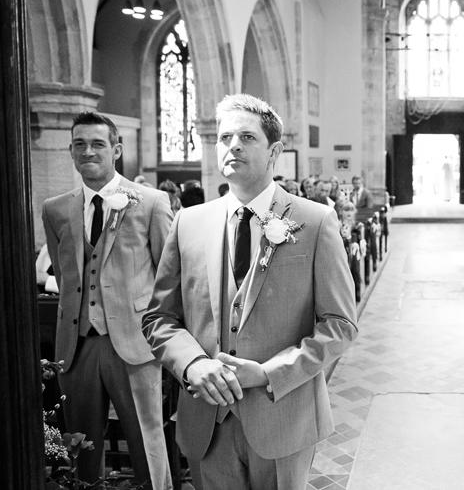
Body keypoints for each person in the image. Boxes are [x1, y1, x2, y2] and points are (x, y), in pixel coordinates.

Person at [142, 94, 358, 489]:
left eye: (247, 137)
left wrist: (269, 373)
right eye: (225, 138)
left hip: (283, 416)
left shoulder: (314, 221)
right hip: (208, 419)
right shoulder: (188, 222)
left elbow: (340, 325)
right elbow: (159, 319)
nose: (233, 146)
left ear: (274, 151)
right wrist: (192, 364)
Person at [41, 112, 173, 488]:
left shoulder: (151, 202)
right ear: (70, 151)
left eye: (98, 143)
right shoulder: (55, 208)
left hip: (135, 342)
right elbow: (65, 275)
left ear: (116, 150)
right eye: (79, 144)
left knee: (147, 440)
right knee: (80, 446)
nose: (88, 151)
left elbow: (168, 278)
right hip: (77, 344)